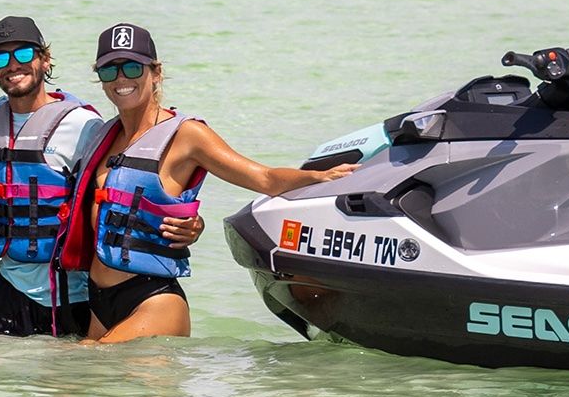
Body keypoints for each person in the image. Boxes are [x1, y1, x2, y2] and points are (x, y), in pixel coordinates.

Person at [61, 23, 357, 344]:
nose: (121, 79)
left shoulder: (187, 135)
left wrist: (319, 178)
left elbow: (264, 178)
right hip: (99, 299)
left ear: (155, 72)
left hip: (152, 299)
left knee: (85, 361)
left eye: (132, 67)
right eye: (109, 70)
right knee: (82, 388)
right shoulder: (106, 135)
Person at [0, 16, 104, 338]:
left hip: (68, 296)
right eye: (0, 58)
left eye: (23, 54)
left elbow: (113, 197)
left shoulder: (84, 125)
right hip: (7, 291)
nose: (12, 65)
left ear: (45, 59)